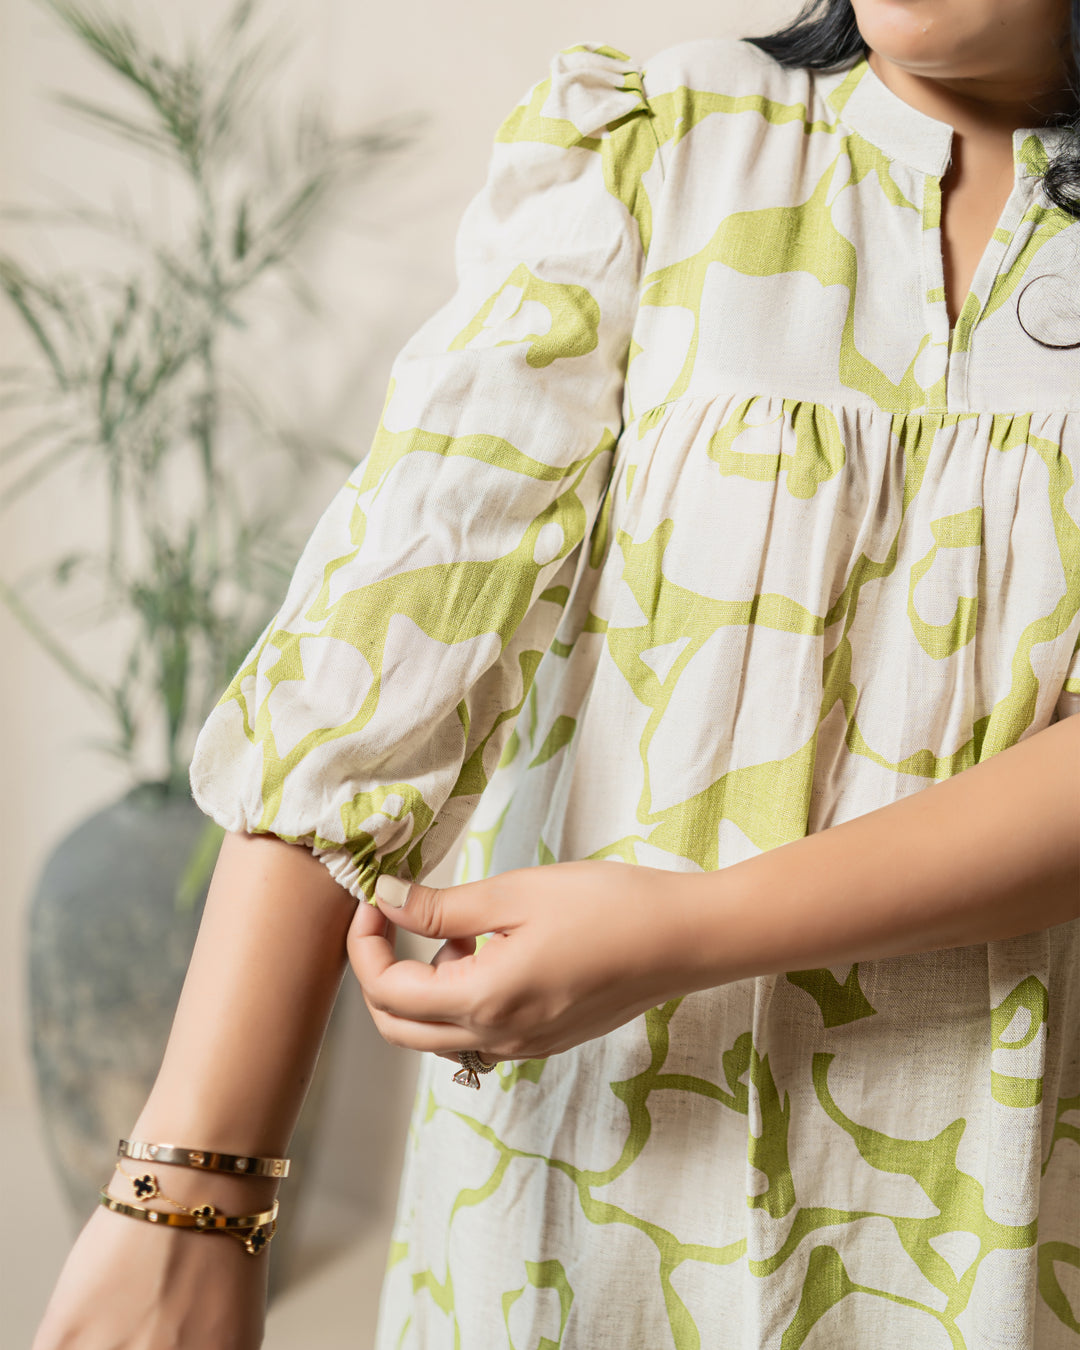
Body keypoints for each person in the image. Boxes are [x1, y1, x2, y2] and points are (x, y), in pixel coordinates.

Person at [33, 0, 1080, 1346]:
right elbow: (389, 629)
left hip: (1008, 1216)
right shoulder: (662, 146)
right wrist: (189, 1193)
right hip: (583, 1207)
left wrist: (686, 931)